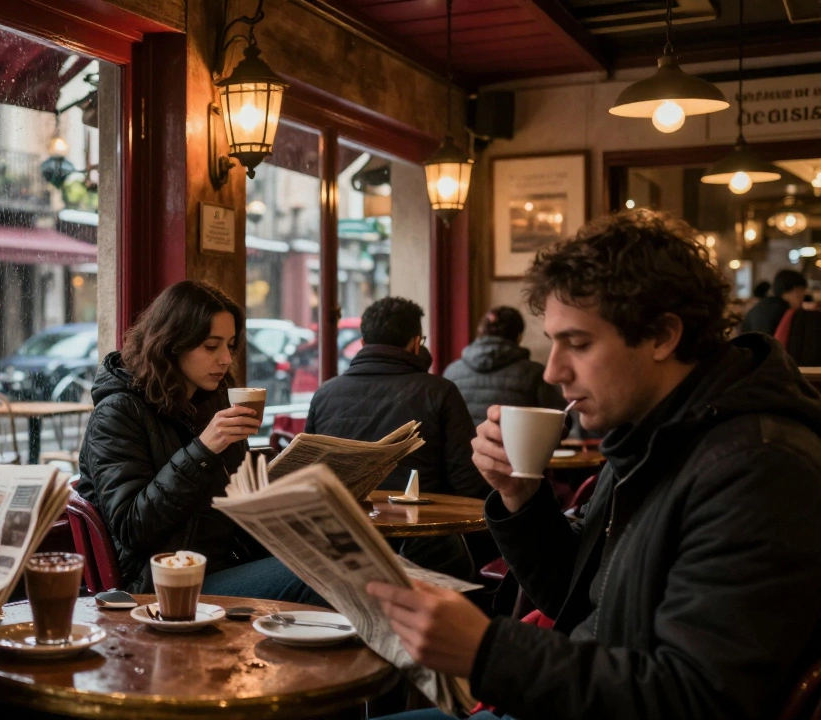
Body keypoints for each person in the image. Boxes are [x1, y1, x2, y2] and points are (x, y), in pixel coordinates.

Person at [367, 210, 821, 720]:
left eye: (578, 344)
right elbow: (575, 596)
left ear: (662, 336)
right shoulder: (651, 436)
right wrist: (521, 496)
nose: (554, 371)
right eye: (553, 342)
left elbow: (697, 700)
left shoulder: (759, 469)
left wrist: (487, 652)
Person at [76, 280, 326, 605]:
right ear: (172, 344)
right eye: (211, 346)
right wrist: (203, 450)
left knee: (337, 559)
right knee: (315, 577)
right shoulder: (118, 412)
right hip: (165, 583)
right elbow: (132, 527)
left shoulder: (212, 400)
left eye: (230, 346)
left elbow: (234, 500)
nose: (225, 359)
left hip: (228, 561)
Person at [306, 297, 489, 578]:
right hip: (425, 548)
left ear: (363, 342)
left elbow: (309, 474)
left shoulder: (324, 394)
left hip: (343, 547)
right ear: (416, 343)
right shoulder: (440, 392)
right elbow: (467, 481)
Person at [443, 306, 564, 427]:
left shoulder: (451, 372)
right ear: (519, 336)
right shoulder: (535, 373)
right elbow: (558, 420)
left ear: (481, 332)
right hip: (515, 440)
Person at [740, 268, 806, 335]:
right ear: (789, 290)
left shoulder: (759, 307)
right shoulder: (784, 312)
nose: (803, 296)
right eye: (800, 290)